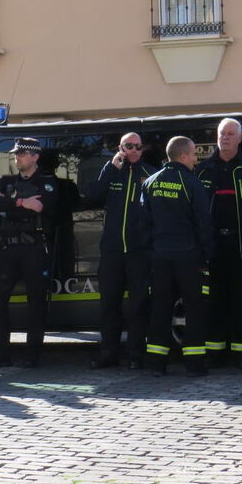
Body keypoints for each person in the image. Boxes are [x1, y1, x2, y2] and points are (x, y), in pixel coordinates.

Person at [141, 136, 213, 377]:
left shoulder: (150, 182)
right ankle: (194, 364)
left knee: (159, 309)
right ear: (183, 156)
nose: (195, 159)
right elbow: (204, 223)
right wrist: (207, 254)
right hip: (188, 258)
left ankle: (155, 363)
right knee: (194, 309)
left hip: (159, 258)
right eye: (193, 154)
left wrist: (151, 252)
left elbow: (143, 223)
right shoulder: (192, 183)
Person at [194, 118, 242, 369]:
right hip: (212, 249)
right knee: (214, 302)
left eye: (230, 134)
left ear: (240, 139)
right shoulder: (201, 170)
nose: (225, 137)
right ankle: (215, 352)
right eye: (222, 133)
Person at [83, 132, 155, 370]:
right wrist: (110, 168)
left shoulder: (150, 174)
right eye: (128, 146)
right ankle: (108, 354)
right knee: (109, 306)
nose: (133, 150)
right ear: (120, 148)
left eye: (137, 146)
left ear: (142, 149)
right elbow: (92, 196)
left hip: (139, 252)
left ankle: (135, 355)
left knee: (138, 306)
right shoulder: (111, 170)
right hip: (112, 251)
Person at [0, 137, 57, 368]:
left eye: (22, 154)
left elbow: (42, 207)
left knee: (36, 304)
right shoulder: (6, 181)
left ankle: (31, 356)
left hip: (33, 248)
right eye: (15, 154)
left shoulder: (47, 182)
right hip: (9, 248)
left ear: (35, 156)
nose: (17, 157)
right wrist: (21, 204)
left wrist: (12, 204)